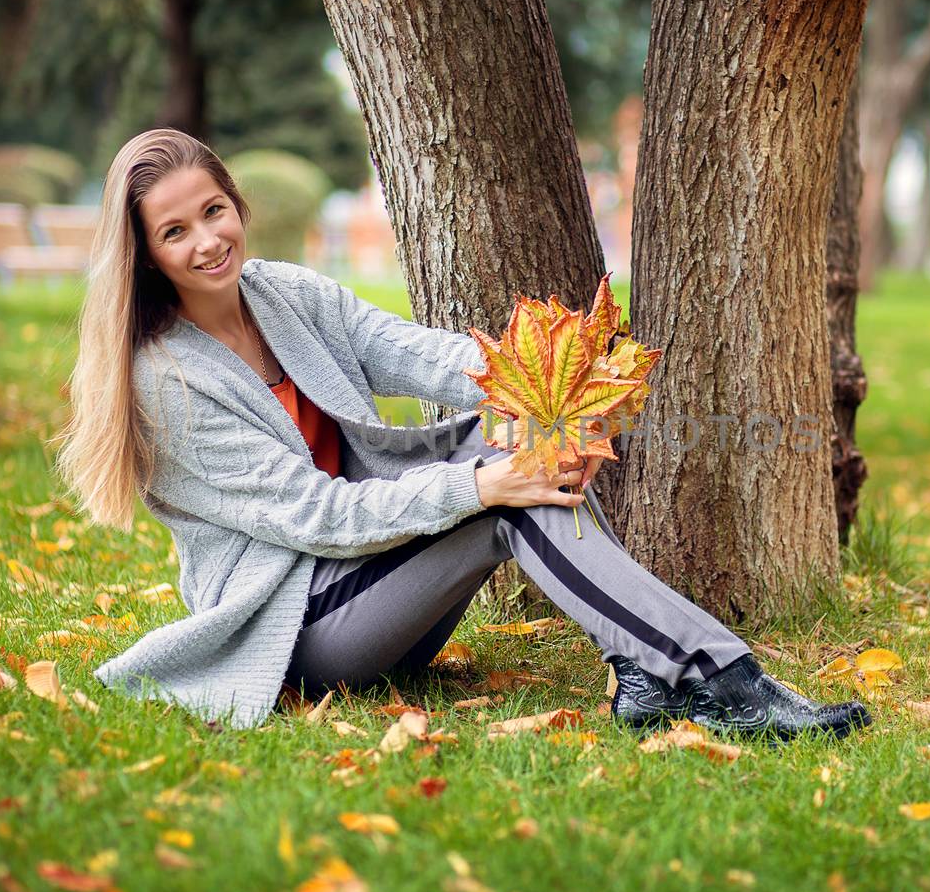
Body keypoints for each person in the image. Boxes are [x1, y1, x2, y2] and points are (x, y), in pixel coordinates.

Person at [53, 128, 871, 740]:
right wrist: (484, 483)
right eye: (175, 231)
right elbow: (316, 517)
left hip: (376, 579)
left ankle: (646, 674)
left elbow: (414, 352)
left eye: (213, 211)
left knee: (526, 450)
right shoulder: (169, 382)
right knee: (505, 497)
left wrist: (541, 386)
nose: (207, 240)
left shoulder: (281, 293)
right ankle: (723, 678)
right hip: (300, 624)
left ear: (237, 205)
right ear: (148, 256)